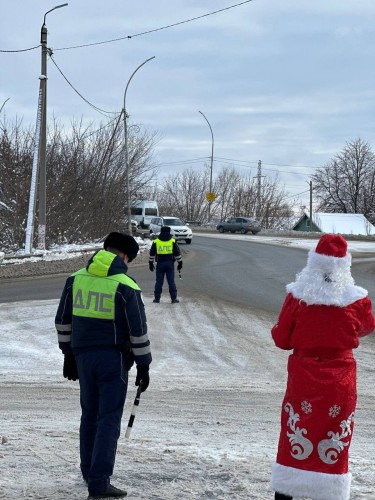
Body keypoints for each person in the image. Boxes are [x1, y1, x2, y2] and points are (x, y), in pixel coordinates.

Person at [270, 234, 375, 500]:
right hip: (340, 381)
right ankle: (329, 492)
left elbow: (283, 339)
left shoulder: (297, 295)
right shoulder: (358, 299)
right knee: (335, 433)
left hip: (303, 379)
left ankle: (286, 492)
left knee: (296, 429)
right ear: (344, 266)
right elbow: (366, 327)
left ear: (313, 264)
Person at [55, 232, 152, 499]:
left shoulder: (75, 279)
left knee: (89, 415)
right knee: (108, 419)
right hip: (114, 360)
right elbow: (138, 331)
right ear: (123, 255)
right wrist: (144, 365)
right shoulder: (126, 285)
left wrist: (68, 355)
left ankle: (88, 472)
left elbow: (63, 322)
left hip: (84, 358)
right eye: (129, 258)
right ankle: (98, 484)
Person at [148, 225, 183, 304]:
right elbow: (177, 253)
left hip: (160, 264)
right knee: (171, 282)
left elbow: (152, 254)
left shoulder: (156, 241)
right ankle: (173, 299)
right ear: (169, 232)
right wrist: (180, 262)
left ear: (161, 231)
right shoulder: (172, 241)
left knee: (159, 282)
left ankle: (157, 299)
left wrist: (150, 263)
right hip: (170, 264)